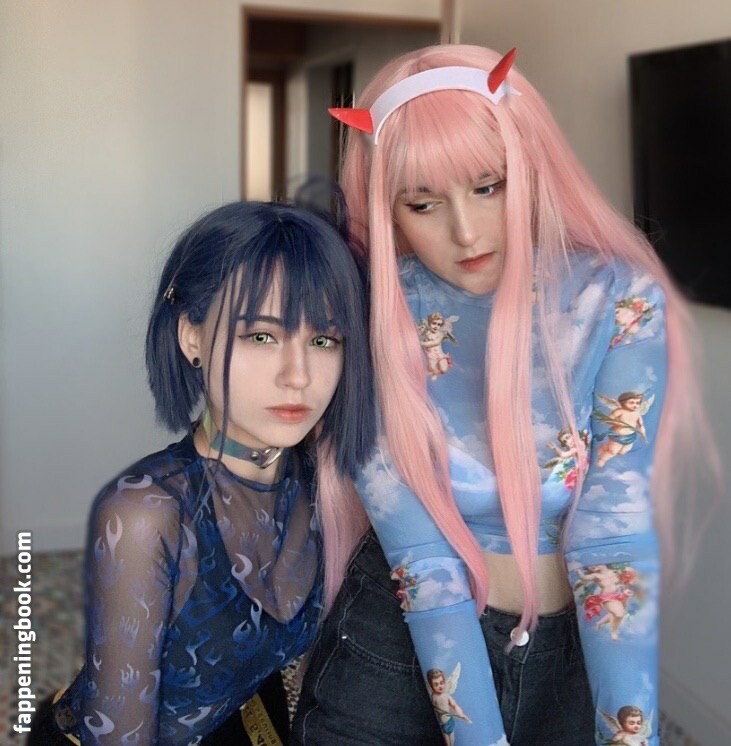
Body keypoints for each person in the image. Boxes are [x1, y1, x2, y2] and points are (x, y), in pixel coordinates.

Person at [291, 44, 718, 745]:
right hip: (396, 645)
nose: (464, 232)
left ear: (529, 168)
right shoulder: (366, 312)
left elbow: (613, 529)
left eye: (487, 187)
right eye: (422, 203)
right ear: (386, 209)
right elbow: (421, 560)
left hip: (565, 648)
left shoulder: (617, 301)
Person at [28, 196, 374, 744]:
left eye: (322, 340)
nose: (298, 375)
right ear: (192, 336)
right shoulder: (147, 514)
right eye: (261, 336)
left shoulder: (324, 483)